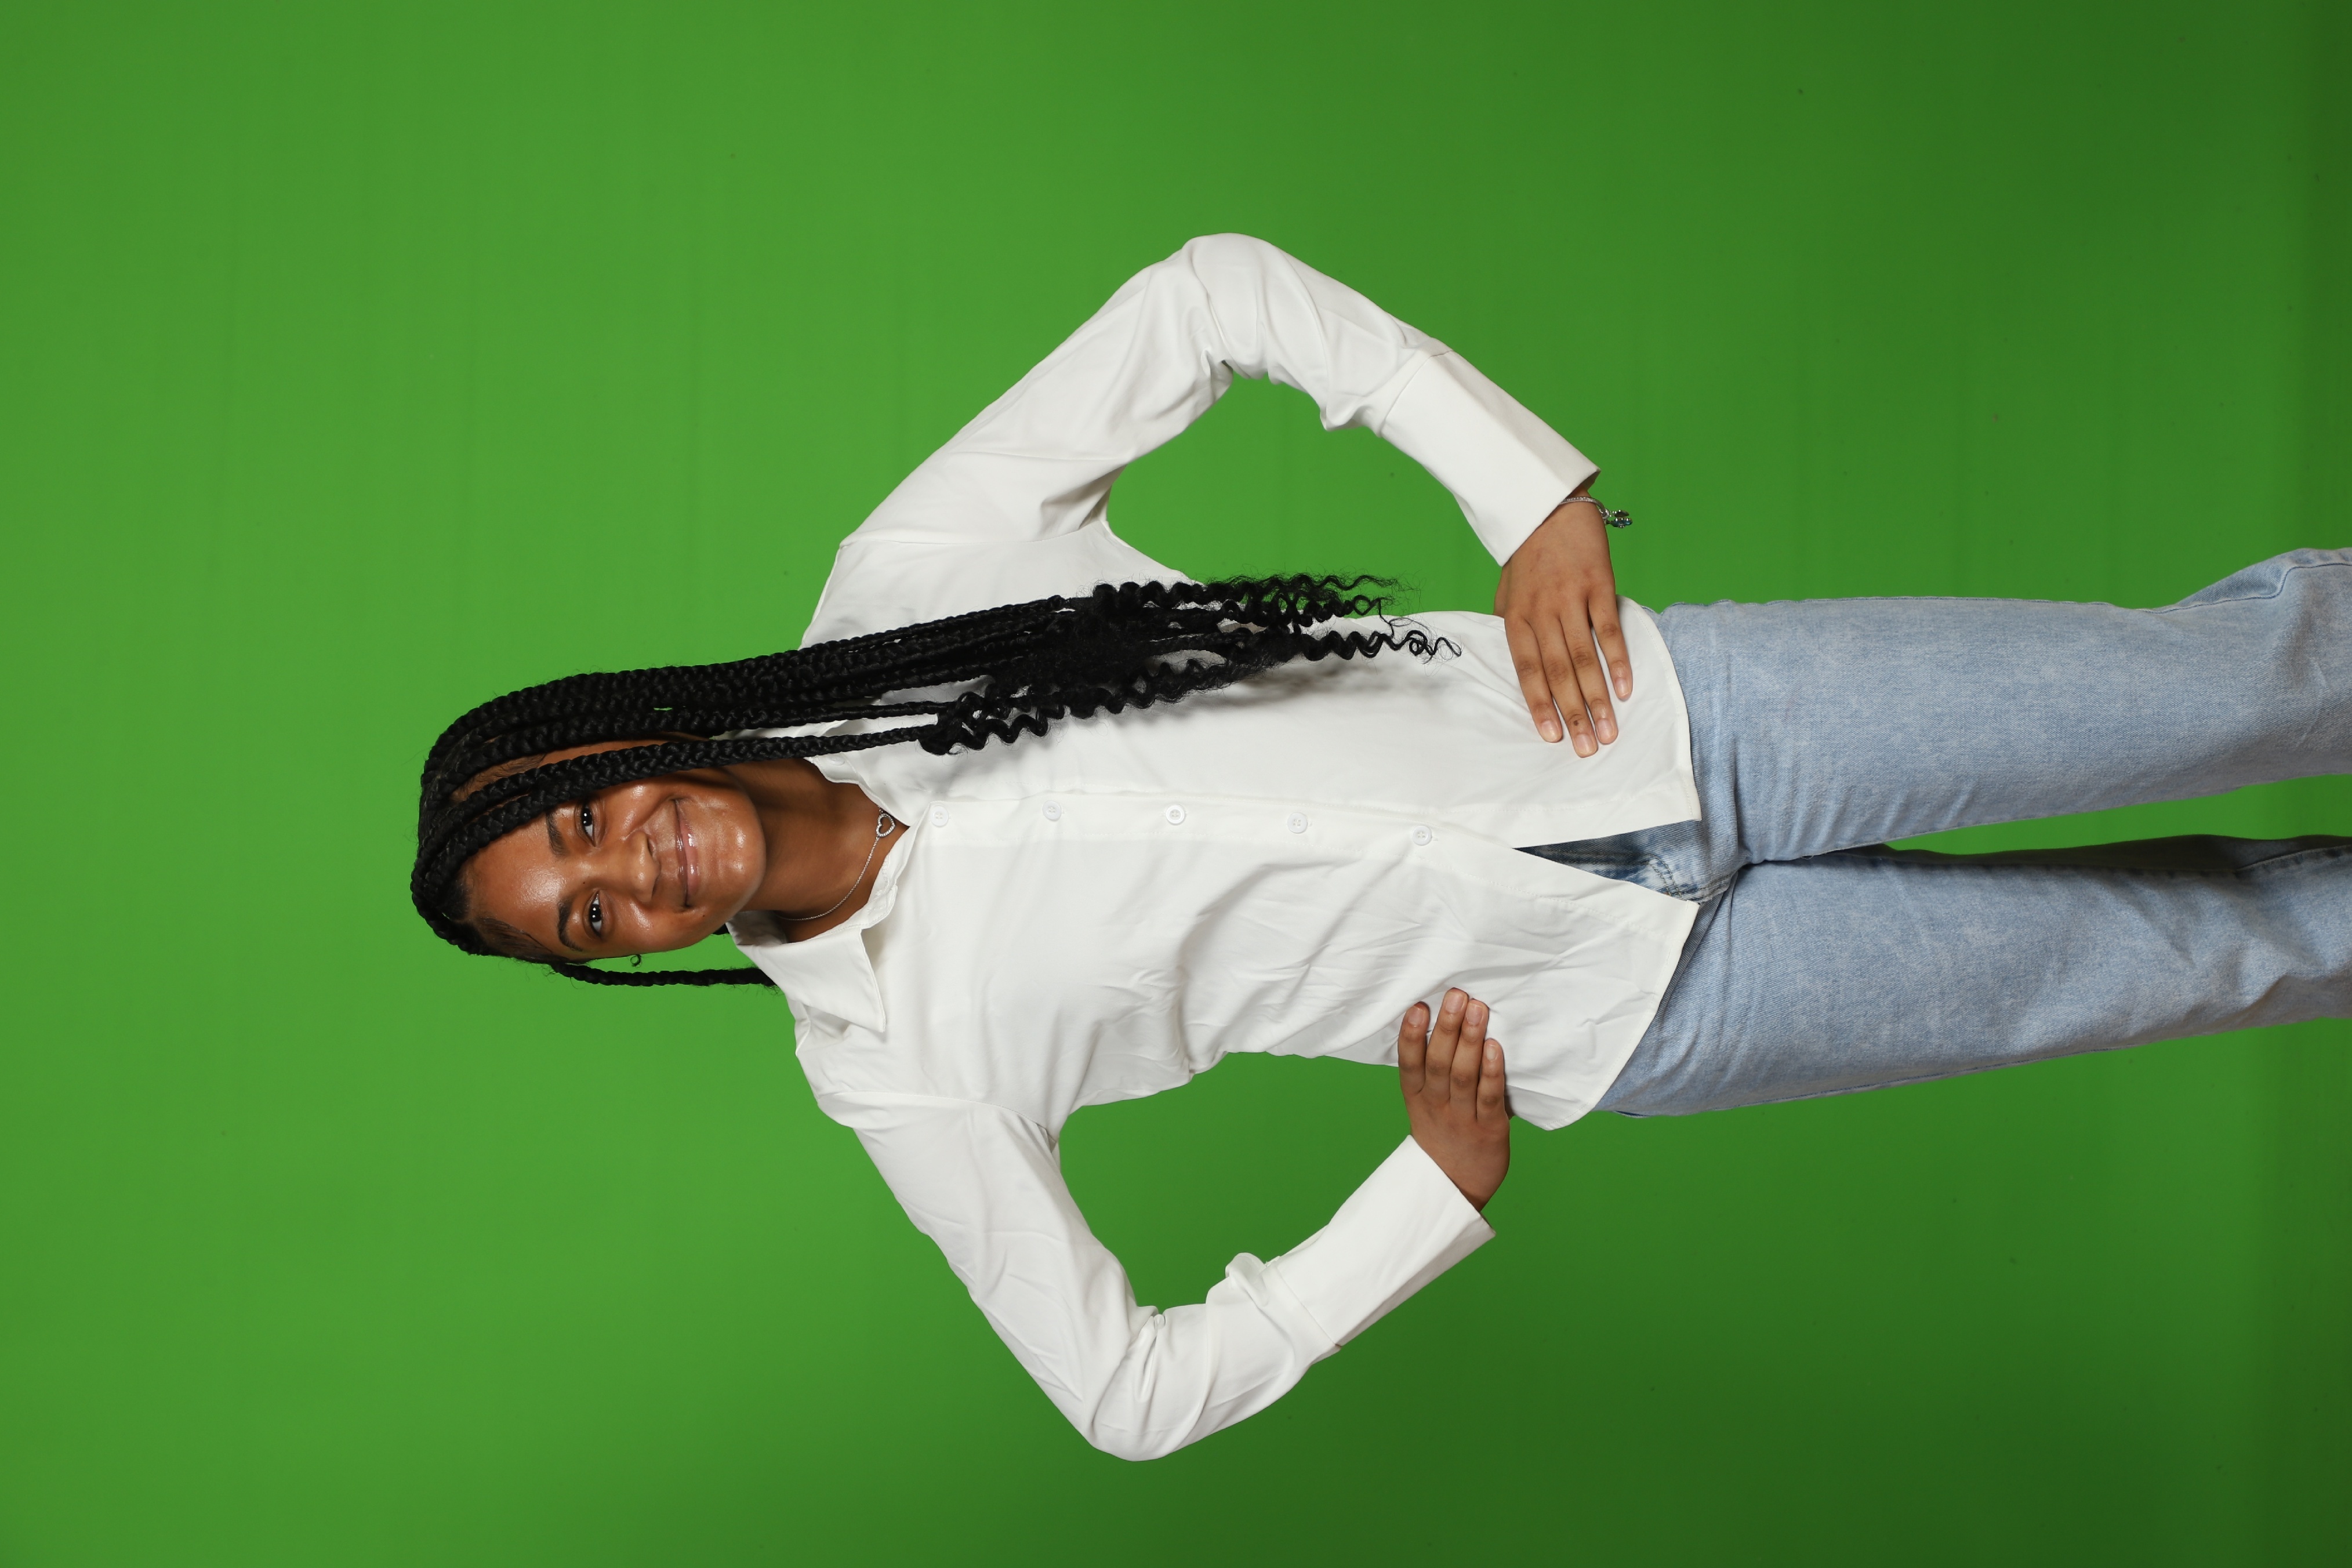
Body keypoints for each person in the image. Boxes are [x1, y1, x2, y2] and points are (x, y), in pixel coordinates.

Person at [413, 235, 2352, 1461]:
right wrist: (1422, 1200)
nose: (633, 875)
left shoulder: (911, 589)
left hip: (1678, 713)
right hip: (1647, 1011)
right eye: (590, 921)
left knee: (2234, 683)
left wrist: (1522, 497)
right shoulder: (889, 1066)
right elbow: (1128, 1396)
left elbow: (1208, 294)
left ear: (600, 738)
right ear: (623, 959)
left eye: (581, 820)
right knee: (2222, 953)